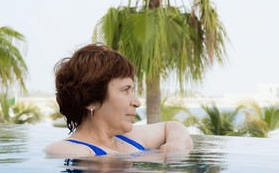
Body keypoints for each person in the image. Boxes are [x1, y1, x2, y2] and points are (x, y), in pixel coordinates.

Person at [44, 43, 193, 158]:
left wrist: (176, 144)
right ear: (91, 101)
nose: (137, 102)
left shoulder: (128, 138)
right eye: (126, 90)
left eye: (132, 90)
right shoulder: (65, 150)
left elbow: (173, 127)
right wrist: (157, 158)